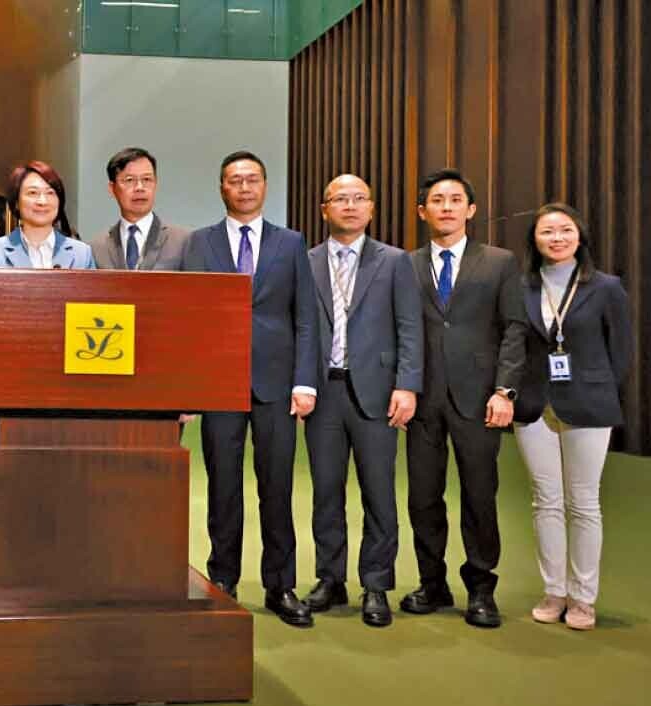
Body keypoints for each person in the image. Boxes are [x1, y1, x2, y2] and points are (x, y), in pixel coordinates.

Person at [183, 150, 319, 627]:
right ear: (222, 187)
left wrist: (305, 381)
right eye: (234, 180)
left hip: (277, 385)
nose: (244, 187)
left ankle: (281, 585)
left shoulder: (291, 242)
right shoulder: (199, 243)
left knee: (276, 487)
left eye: (252, 179)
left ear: (264, 185)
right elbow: (189, 316)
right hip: (218, 384)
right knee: (223, 487)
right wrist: (189, 387)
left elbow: (305, 317)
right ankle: (223, 580)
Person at [404, 168, 527, 628]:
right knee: (422, 497)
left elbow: (514, 328)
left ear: (470, 210)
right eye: (437, 200)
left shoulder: (499, 262)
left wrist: (504, 390)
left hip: (479, 399)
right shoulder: (405, 265)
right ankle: (431, 583)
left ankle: (481, 587)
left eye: (455, 200)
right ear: (422, 211)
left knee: (479, 495)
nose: (446, 207)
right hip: (423, 399)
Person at [302, 174, 423, 627]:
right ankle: (329, 578)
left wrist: (407, 385)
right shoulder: (306, 261)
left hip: (377, 391)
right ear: (324, 209)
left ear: (371, 208)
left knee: (379, 492)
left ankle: (376, 584)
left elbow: (410, 326)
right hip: (324, 392)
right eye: (340, 199)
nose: (349, 206)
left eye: (358, 199)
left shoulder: (394, 261)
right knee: (325, 491)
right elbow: (301, 328)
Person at [513, 203, 631, 631]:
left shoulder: (606, 287)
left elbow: (621, 352)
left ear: (580, 236)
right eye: (547, 231)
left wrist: (598, 388)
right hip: (533, 406)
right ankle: (554, 591)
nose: (557, 238)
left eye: (565, 230)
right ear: (535, 239)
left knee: (583, 503)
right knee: (545, 501)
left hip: (589, 404)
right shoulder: (521, 286)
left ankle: (583, 598)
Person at [86, 148, 189, 271]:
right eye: (129, 180)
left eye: (147, 179)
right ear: (112, 189)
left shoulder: (183, 241)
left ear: (155, 184)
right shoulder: (96, 248)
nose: (139, 188)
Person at [0, 161, 95, 268]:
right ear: (16, 202)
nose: (42, 201)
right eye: (33, 192)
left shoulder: (82, 253)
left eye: (50, 193)